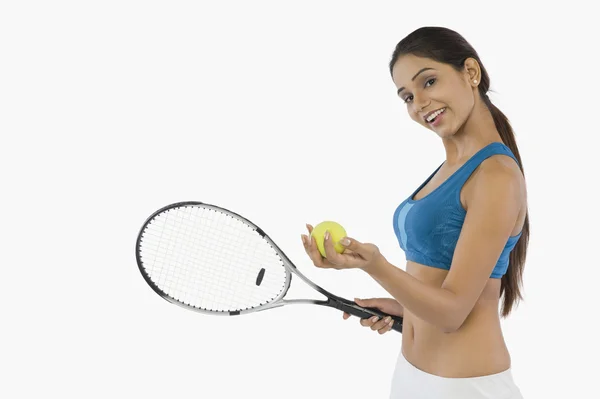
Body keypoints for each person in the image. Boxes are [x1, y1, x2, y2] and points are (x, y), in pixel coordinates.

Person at [300, 26, 528, 399]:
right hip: (412, 377)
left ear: (471, 73)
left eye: (429, 82)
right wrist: (406, 309)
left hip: (465, 388)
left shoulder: (496, 176)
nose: (419, 103)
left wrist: (373, 264)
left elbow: (454, 312)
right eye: (406, 96)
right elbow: (442, 289)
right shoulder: (452, 168)